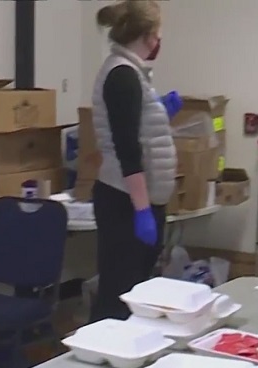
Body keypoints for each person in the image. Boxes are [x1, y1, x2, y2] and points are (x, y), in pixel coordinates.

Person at [88, 0, 179, 322]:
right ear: (147, 34)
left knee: (137, 295)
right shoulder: (122, 75)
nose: (159, 41)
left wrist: (159, 114)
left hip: (137, 200)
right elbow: (128, 149)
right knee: (120, 296)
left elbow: (135, 130)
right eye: (157, 33)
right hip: (125, 202)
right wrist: (142, 210)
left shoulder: (133, 74)